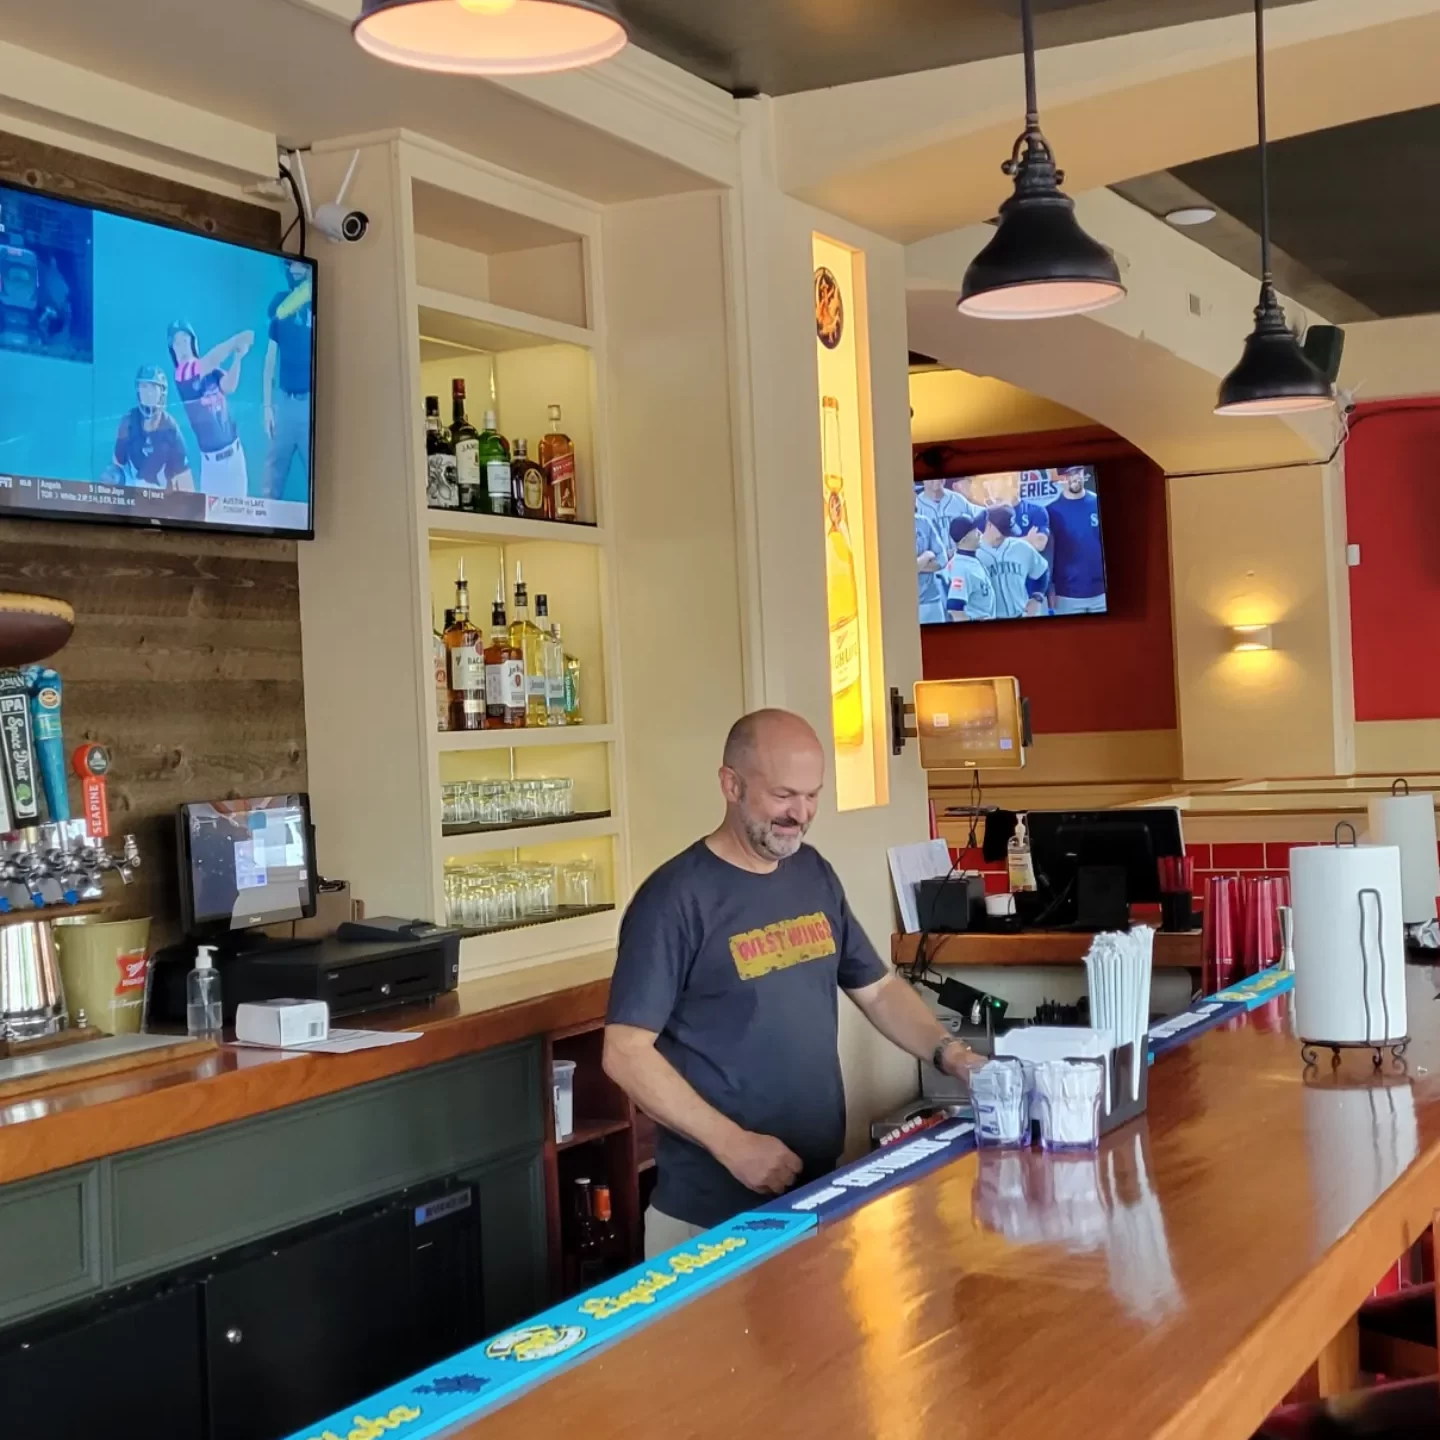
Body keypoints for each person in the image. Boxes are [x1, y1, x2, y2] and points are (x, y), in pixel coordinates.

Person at [603, 709, 984, 1253]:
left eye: (812, 796)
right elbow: (624, 1052)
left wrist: (954, 1057)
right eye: (784, 795)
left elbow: (877, 989)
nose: (800, 814)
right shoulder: (674, 899)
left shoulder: (813, 872)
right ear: (730, 785)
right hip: (709, 1220)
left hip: (815, 1194)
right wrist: (733, 1145)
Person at [168, 320, 253, 497]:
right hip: (212, 464)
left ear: (193, 343)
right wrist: (235, 341)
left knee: (239, 519)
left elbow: (229, 386)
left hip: (235, 455)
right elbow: (210, 360)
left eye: (185, 340)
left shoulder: (211, 371)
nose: (182, 347)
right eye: (176, 343)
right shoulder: (182, 374)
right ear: (172, 351)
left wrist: (238, 358)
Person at [262, 259, 313, 500]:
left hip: (310, 404)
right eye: (291, 265)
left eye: (300, 266)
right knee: (273, 475)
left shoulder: (317, 303)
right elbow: (270, 360)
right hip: (284, 402)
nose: (295, 270)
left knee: (318, 475)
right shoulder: (279, 304)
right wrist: (267, 406)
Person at [105, 365, 193, 490]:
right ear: (138, 391)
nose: (148, 393)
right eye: (144, 387)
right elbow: (117, 464)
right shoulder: (129, 421)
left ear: (161, 393)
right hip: (133, 493)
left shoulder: (170, 429)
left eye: (153, 387)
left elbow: (186, 480)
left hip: (161, 498)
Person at [1047, 467, 1107, 614]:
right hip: (1067, 596)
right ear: (1062, 478)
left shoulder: (1098, 503)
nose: (1074, 477)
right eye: (1069, 474)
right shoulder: (1051, 511)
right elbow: (1048, 556)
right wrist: (1049, 590)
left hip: (1102, 594)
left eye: (1078, 472)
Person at [978, 505, 1050, 619]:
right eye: (1002, 530)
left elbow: (1042, 571)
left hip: (1020, 616)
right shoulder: (974, 553)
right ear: (989, 525)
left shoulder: (1021, 547)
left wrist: (1037, 597)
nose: (1006, 534)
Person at [943, 512, 996, 621]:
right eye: (974, 530)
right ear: (964, 540)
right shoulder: (961, 569)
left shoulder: (969, 560)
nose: (979, 532)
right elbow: (955, 609)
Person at [1011, 500, 1053, 616]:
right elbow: (987, 545)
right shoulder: (990, 514)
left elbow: (1040, 544)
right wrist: (1027, 540)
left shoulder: (1036, 510)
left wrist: (1004, 543)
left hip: (1034, 590)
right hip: (1005, 592)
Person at [916, 509, 950, 624]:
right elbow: (899, 570)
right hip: (903, 605)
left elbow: (942, 559)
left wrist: (916, 566)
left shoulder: (924, 522)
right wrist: (926, 556)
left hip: (932, 600)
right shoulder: (888, 527)